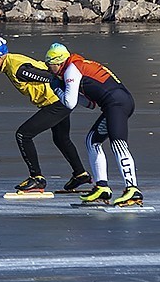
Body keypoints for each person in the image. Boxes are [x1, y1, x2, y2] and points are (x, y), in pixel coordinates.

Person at [0, 36, 92, 193]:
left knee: (23, 135)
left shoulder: (17, 69)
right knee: (61, 138)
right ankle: (81, 174)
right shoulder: (11, 62)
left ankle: (37, 178)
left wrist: (70, 89)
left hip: (56, 103)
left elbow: (49, 76)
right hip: (59, 100)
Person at [43, 42, 143, 206]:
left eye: (50, 65)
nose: (48, 69)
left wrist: (57, 88)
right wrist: (62, 86)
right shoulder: (75, 67)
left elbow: (69, 103)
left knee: (118, 144)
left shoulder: (71, 70)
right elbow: (89, 104)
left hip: (116, 104)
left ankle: (132, 189)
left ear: (59, 63)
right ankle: (102, 186)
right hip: (118, 102)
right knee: (92, 141)